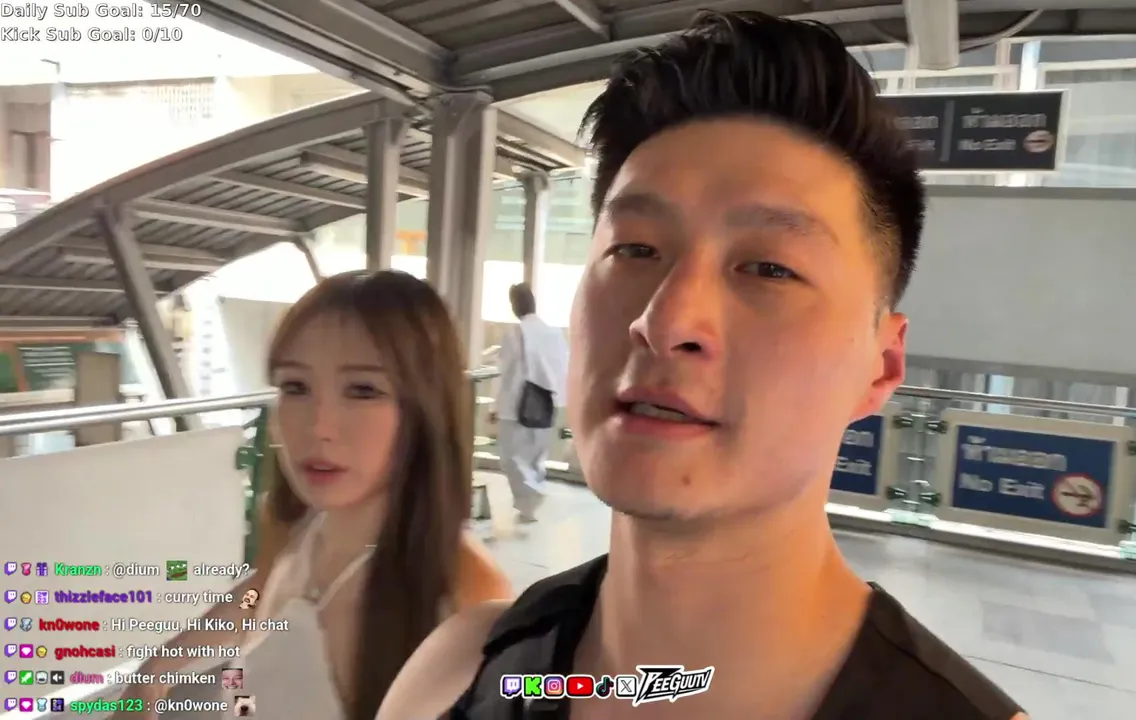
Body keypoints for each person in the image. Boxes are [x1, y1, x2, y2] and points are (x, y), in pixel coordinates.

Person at [382, 11, 1028, 720]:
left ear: (881, 366)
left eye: (769, 268)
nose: (663, 321)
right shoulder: (473, 673)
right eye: (634, 249)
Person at [113, 270, 511, 720]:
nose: (319, 425)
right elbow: (253, 597)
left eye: (363, 391)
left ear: (425, 408)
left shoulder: (465, 590)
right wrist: (153, 674)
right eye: (295, 387)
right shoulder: (299, 527)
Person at [491, 282, 569, 522]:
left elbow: (504, 371)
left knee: (511, 457)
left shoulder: (514, 333)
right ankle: (529, 506)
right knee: (536, 456)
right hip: (546, 403)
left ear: (515, 305)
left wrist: (494, 406)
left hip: (515, 405)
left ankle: (532, 497)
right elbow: (562, 368)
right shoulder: (554, 333)